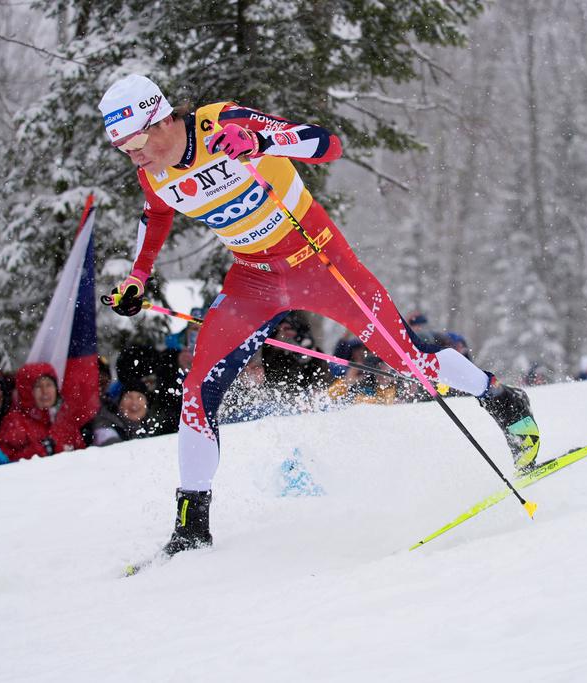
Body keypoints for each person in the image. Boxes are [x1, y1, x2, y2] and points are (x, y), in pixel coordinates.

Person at [98, 73, 541, 559]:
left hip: (319, 261)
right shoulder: (153, 173)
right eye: (122, 148)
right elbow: (156, 213)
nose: (134, 154)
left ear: (161, 118)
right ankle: (192, 526)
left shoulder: (221, 123)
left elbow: (327, 144)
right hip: (254, 279)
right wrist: (138, 275)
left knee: (410, 360)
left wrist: (261, 140)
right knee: (199, 390)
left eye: (137, 140)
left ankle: (502, 399)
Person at [0, 363, 87, 460]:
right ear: (27, 391)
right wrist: (39, 451)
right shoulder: (15, 422)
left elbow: (82, 457)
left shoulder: (64, 419)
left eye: (49, 385)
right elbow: (5, 463)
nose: (45, 391)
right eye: (38, 386)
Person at [92, 379, 162, 446]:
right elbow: (112, 449)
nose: (134, 403)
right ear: (119, 402)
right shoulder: (105, 424)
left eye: (140, 397)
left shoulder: (154, 425)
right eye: (129, 397)